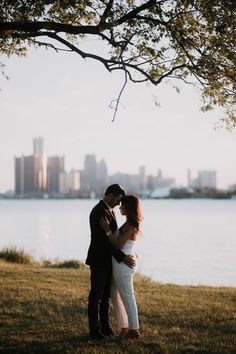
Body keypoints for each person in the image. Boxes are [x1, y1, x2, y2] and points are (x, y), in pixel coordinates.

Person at [85, 184, 136, 340]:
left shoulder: (109, 211)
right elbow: (106, 242)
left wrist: (130, 253)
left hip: (108, 261)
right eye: (118, 200)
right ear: (110, 195)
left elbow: (116, 239)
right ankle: (95, 331)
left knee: (106, 297)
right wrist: (123, 257)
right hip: (99, 260)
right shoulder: (99, 211)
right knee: (96, 297)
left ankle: (106, 328)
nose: (119, 204)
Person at [100, 194, 142, 340]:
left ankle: (134, 330)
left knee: (127, 297)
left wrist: (106, 229)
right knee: (115, 295)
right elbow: (128, 244)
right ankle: (124, 327)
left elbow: (118, 245)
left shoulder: (130, 225)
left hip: (123, 266)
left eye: (122, 205)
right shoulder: (127, 224)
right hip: (121, 263)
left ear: (128, 207)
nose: (120, 207)